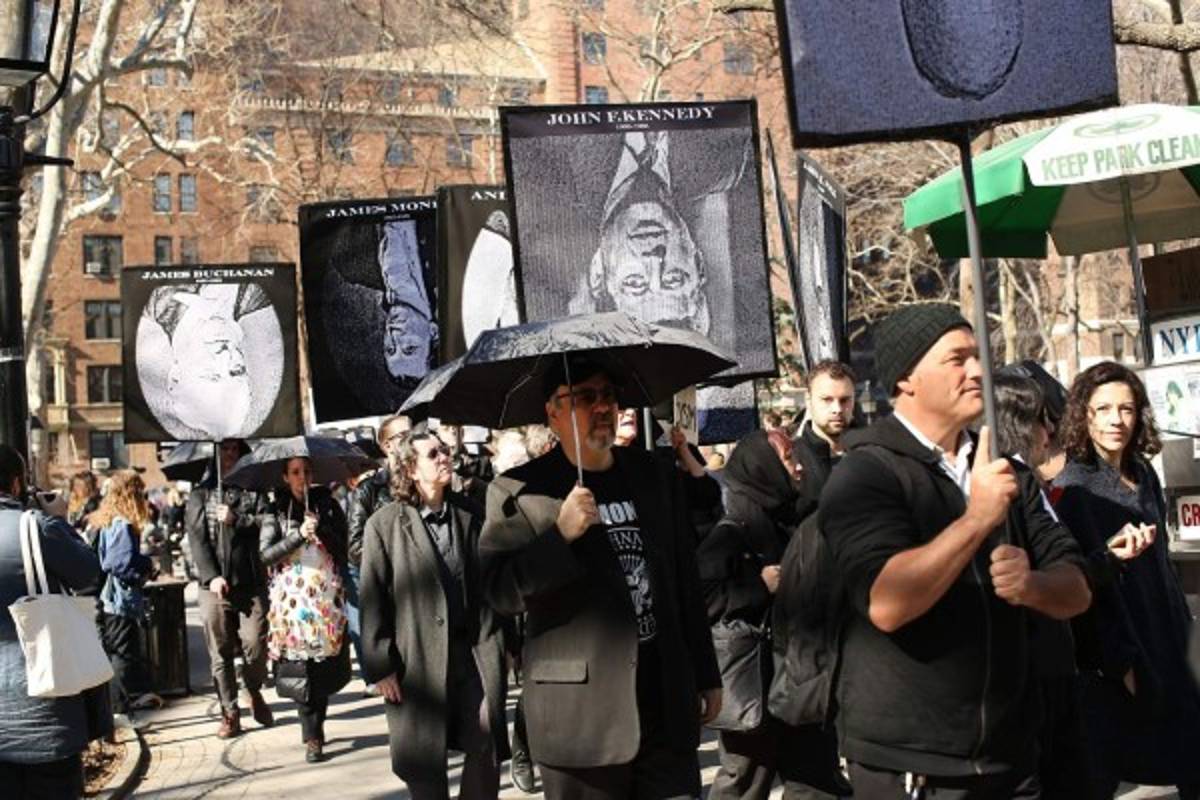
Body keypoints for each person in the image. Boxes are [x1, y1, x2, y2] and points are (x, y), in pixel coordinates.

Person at [818, 304, 1091, 798]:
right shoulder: (865, 472)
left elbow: (1076, 590)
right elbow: (886, 603)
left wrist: (1032, 586)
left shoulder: (1009, 472)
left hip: (1012, 757)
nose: (979, 371)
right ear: (906, 377)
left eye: (980, 355)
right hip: (912, 766)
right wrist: (976, 519)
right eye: (958, 358)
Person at [480, 354, 722, 800]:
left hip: (662, 701)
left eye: (609, 395)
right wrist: (559, 537)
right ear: (553, 412)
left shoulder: (653, 475)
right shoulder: (518, 491)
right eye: (585, 396)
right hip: (581, 720)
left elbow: (683, 580)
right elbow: (497, 592)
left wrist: (706, 672)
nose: (602, 406)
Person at [1051, 361, 1200, 799]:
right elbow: (1091, 585)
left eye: (1127, 409)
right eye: (1103, 409)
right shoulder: (1077, 487)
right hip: (1128, 651)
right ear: (1084, 414)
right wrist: (1123, 661)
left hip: (1173, 636)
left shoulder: (1142, 471)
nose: (1117, 420)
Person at [361, 430, 509, 799]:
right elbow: (372, 598)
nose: (444, 457)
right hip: (417, 661)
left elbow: (491, 583)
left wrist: (510, 642)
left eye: (445, 451)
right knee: (425, 764)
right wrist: (381, 665)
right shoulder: (384, 525)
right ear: (411, 469)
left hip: (474, 651)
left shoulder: (470, 513)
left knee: (486, 739)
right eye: (433, 454)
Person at [700, 429, 844, 800]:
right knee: (746, 779)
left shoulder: (798, 515)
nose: (798, 468)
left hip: (802, 676)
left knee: (814, 779)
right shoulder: (734, 528)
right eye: (787, 460)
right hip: (759, 682)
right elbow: (702, 598)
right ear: (763, 467)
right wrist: (757, 587)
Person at [0, 446, 102, 799]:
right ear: (16, 484)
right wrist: (59, 519)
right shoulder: (36, 528)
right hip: (44, 720)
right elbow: (89, 574)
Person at [260, 457, 351, 763]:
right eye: (295, 473)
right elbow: (266, 555)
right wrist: (298, 534)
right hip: (292, 601)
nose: (302, 478)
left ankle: (318, 726)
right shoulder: (275, 510)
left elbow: (344, 547)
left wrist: (321, 528)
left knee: (321, 666)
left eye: (307, 472)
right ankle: (311, 735)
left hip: (324, 597)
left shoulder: (328, 505)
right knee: (300, 666)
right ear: (286, 477)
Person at [186, 439, 275, 739]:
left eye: (235, 450)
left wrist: (238, 520)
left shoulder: (254, 491)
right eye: (224, 450)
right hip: (214, 588)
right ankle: (230, 711)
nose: (230, 455)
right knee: (220, 652)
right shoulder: (201, 494)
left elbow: (268, 523)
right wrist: (211, 577)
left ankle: (253, 688)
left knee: (256, 644)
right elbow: (197, 540)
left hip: (250, 583)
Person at [143, 283, 272, 440]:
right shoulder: (255, 295)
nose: (229, 358)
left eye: (212, 376)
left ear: (175, 377)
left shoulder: (150, 301)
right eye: (236, 371)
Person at [92, 470, 162, 727]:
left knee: (119, 652)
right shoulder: (122, 523)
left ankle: (122, 708)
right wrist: (146, 564)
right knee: (122, 653)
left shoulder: (109, 521)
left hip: (110, 598)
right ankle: (121, 711)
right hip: (118, 599)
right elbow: (118, 562)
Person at [347, 414, 410, 695]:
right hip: (389, 595)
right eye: (402, 436)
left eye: (414, 433)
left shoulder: (425, 483)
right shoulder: (370, 490)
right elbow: (356, 546)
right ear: (386, 446)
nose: (411, 440)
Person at [793, 361, 856, 520]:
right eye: (827, 399)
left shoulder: (874, 453)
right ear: (809, 400)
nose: (837, 409)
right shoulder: (791, 460)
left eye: (844, 400)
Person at [380, 218, 437, 383]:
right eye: (410, 348)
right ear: (433, 332)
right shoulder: (447, 271)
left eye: (390, 349)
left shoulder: (355, 273)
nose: (394, 336)